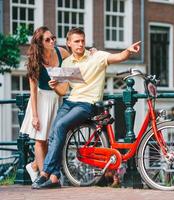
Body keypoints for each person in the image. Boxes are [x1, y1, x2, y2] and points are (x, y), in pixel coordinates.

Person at [31, 27, 141, 189]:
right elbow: (63, 91)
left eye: (82, 41)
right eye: (76, 41)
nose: (80, 44)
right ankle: (54, 176)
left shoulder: (96, 56)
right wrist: (54, 86)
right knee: (54, 132)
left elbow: (117, 57)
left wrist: (128, 51)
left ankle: (45, 173)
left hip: (86, 104)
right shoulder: (67, 62)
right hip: (70, 102)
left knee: (60, 126)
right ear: (69, 43)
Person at [20, 26, 69, 182]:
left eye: (53, 38)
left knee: (51, 138)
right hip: (41, 101)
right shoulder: (35, 61)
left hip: (56, 98)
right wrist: (35, 116)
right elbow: (33, 91)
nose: (52, 41)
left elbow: (76, 57)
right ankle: (43, 177)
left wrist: (91, 53)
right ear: (40, 43)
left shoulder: (61, 52)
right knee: (41, 140)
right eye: (47, 39)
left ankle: (34, 166)